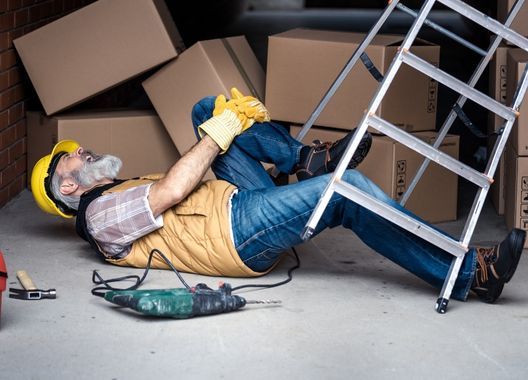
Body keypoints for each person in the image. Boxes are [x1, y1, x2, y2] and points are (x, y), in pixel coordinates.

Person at [31, 88, 525, 306]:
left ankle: (306, 161)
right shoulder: (100, 217)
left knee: (207, 108)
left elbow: (191, 178)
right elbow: (175, 190)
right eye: (73, 157)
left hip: (234, 203)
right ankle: (470, 274)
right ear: (68, 187)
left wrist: (219, 125)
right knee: (346, 192)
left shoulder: (117, 189)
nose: (83, 151)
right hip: (236, 233)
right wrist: (219, 134)